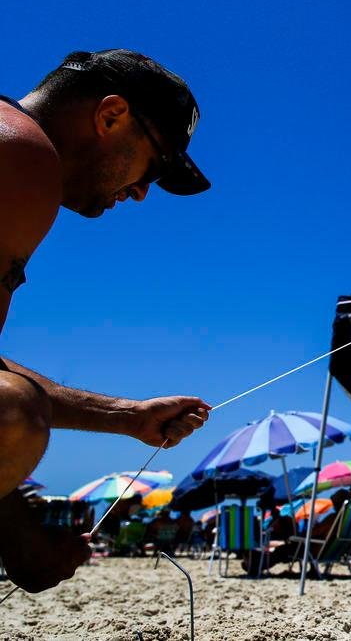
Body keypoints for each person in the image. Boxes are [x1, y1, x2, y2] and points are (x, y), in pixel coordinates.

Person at [0, 49, 211, 593]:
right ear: (111, 115)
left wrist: (127, 416)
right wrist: (20, 533)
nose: (142, 193)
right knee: (13, 416)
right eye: (156, 166)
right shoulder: (21, 156)